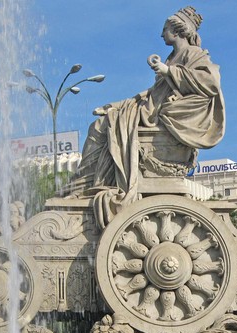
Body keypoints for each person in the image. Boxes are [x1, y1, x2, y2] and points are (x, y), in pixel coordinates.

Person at [68, 6, 225, 227]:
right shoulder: (172, 58)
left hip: (162, 115)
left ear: (177, 30)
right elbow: (152, 94)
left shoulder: (194, 54)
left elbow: (210, 83)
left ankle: (85, 184)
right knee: (102, 122)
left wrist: (169, 71)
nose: (162, 34)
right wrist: (115, 105)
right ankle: (85, 183)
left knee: (105, 126)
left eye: (165, 29)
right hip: (151, 109)